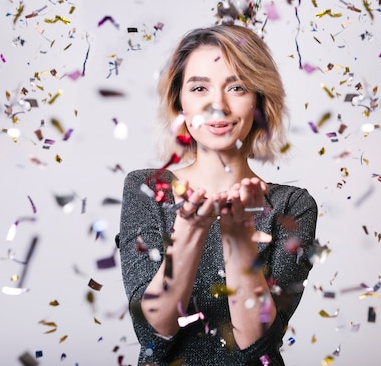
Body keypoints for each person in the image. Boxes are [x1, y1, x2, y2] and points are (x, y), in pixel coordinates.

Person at [118, 24, 318, 365]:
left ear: (258, 100)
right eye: (199, 88)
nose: (217, 106)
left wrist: (238, 239)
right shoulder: (149, 189)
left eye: (237, 87)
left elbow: (256, 346)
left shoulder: (292, 206)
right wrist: (189, 231)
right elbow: (154, 333)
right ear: (179, 101)